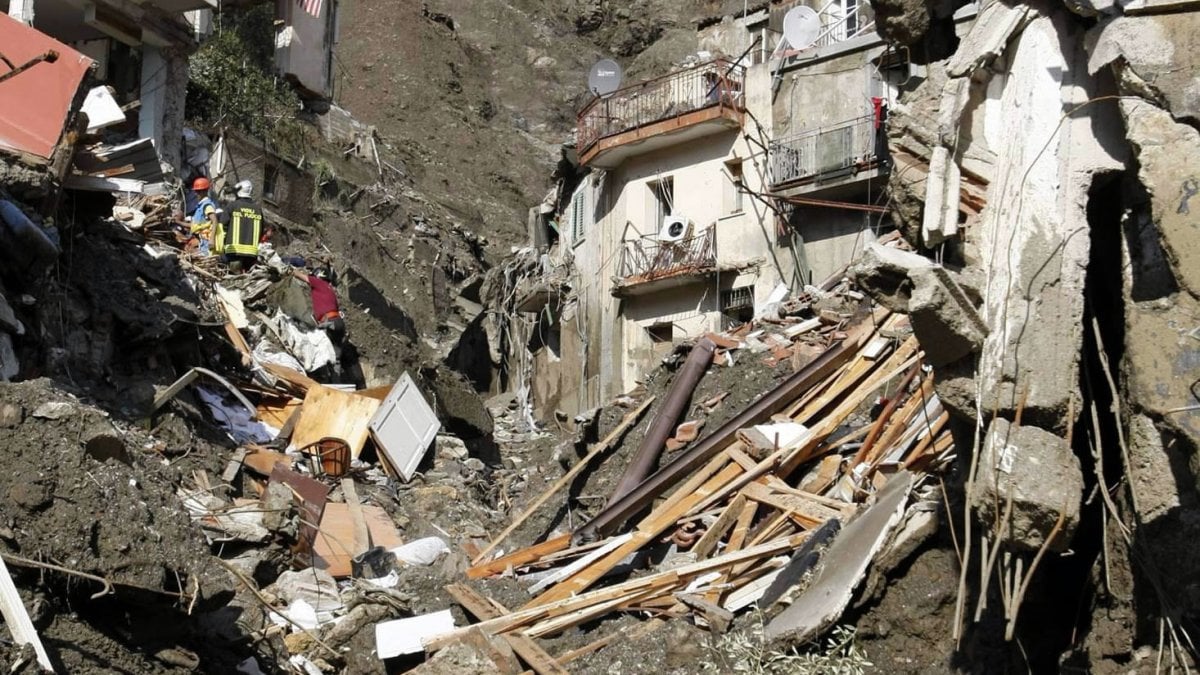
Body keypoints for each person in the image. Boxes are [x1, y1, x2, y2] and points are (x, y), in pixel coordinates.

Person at [293, 265, 345, 347]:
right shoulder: (329, 289)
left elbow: (298, 275)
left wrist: (293, 269)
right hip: (338, 323)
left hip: (329, 323)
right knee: (335, 351)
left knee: (320, 348)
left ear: (318, 276)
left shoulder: (318, 282)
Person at [220, 180, 265, 273]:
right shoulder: (258, 209)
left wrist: (221, 245)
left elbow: (222, 226)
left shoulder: (232, 206)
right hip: (251, 254)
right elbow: (261, 231)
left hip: (233, 251)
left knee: (233, 278)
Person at [177, 177, 219, 255]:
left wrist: (212, 239)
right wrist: (178, 222)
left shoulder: (207, 205)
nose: (196, 194)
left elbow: (214, 220)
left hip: (206, 240)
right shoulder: (200, 207)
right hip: (201, 239)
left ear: (205, 191)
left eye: (198, 191)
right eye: (196, 191)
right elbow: (194, 225)